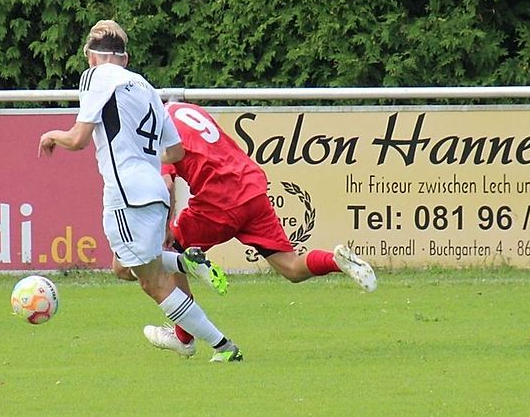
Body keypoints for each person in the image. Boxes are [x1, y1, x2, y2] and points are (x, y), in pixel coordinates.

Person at [38, 20, 242, 363]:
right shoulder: (146, 87)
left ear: (90, 57)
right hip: (154, 191)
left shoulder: (96, 76)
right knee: (121, 267)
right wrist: (139, 157)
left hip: (127, 193)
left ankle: (224, 347)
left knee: (153, 283)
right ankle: (187, 261)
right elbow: (175, 152)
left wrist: (51, 136)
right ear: (126, 58)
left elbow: (77, 138)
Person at [115, 100, 377, 357]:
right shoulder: (187, 109)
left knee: (172, 248)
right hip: (251, 187)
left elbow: (167, 184)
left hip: (220, 199)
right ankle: (336, 260)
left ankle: (184, 337)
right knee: (292, 267)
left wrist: (164, 229)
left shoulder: (158, 127)